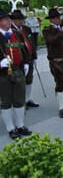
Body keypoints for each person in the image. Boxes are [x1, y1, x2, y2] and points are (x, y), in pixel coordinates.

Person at [0, 9, 32, 139]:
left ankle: (20, 125)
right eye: (5, 19)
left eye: (9, 18)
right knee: (6, 102)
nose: (9, 21)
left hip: (18, 70)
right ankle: (10, 128)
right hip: (2, 74)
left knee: (19, 100)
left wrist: (26, 62)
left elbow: (24, 48)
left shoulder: (17, 34)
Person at [10, 10, 39, 109]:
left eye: (21, 19)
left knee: (29, 79)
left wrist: (35, 56)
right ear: (13, 20)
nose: (20, 21)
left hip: (29, 58)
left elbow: (32, 43)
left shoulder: (26, 29)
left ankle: (27, 99)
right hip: (20, 60)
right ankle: (21, 101)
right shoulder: (11, 30)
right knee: (20, 81)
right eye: (18, 19)